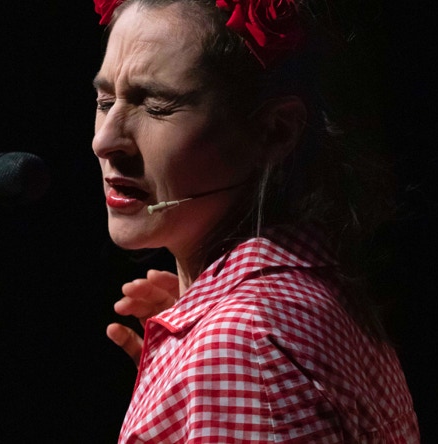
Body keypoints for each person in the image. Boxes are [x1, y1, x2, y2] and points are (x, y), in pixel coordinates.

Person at [91, 0, 420, 442]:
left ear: (274, 131)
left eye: (156, 105)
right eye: (105, 100)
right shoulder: (316, 297)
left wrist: (214, 362)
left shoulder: (242, 342)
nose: (105, 140)